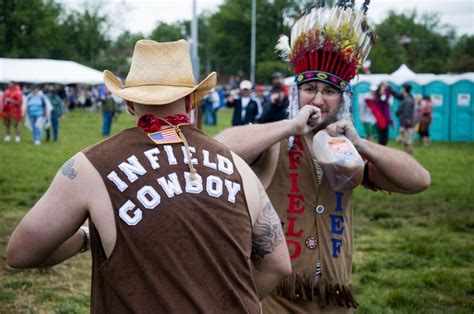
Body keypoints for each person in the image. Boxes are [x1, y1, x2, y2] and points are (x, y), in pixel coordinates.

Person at [6, 39, 291, 312]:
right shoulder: (237, 166)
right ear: (191, 101)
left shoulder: (90, 166)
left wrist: (85, 238)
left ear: (130, 104)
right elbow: (277, 264)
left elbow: (21, 252)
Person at [216, 2, 431, 313]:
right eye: (309, 89)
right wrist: (291, 125)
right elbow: (222, 147)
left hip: (334, 298)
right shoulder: (276, 138)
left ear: (343, 99)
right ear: (296, 94)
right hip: (275, 298)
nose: (318, 99)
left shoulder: (349, 149)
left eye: (329, 91)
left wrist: (362, 144)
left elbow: (420, 180)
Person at [394, 83, 416, 154]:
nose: (400, 90)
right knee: (406, 143)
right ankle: (408, 159)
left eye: (402, 88)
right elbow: (397, 95)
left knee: (408, 143)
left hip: (407, 125)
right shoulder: (407, 98)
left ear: (404, 90)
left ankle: (409, 160)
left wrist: (402, 126)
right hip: (407, 124)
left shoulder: (408, 100)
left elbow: (406, 115)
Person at [374, 81, 394, 146]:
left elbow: (390, 90)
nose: (383, 89)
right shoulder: (378, 98)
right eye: (382, 88)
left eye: (384, 88)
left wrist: (387, 86)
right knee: (381, 137)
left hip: (385, 119)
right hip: (380, 119)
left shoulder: (385, 97)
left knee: (385, 137)